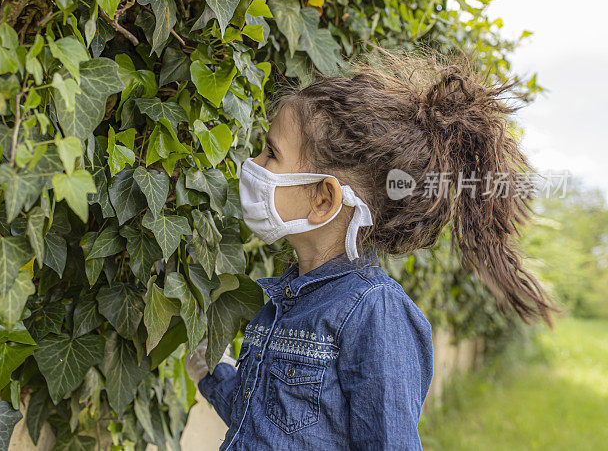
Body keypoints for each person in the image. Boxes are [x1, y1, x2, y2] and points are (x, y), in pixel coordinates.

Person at [185, 46, 561, 450]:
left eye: (272, 153)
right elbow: (261, 422)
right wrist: (211, 371)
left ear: (323, 200)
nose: (254, 163)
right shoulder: (283, 299)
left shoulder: (375, 313)